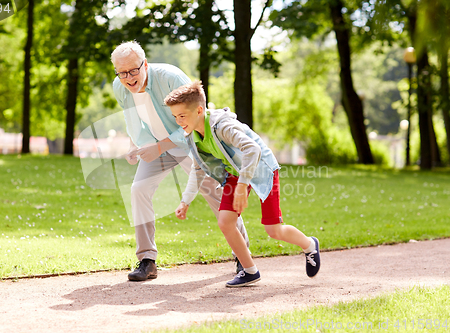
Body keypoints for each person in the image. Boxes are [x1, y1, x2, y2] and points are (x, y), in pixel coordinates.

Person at [111, 41, 250, 281]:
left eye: (133, 70)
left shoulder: (170, 77)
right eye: (122, 73)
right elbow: (132, 118)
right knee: (139, 189)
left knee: (215, 193)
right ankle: (147, 259)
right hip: (156, 146)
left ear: (145, 64)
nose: (129, 78)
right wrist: (135, 147)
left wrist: (162, 146)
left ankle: (243, 256)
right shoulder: (120, 86)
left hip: (190, 142)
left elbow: (199, 116)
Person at [165, 81, 321, 287]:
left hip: (262, 168)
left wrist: (242, 186)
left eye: (182, 116)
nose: (178, 121)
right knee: (225, 222)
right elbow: (198, 168)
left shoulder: (223, 127)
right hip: (234, 172)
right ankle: (249, 271)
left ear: (199, 110)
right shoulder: (193, 136)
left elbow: (253, 150)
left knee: (273, 230)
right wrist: (185, 201)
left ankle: (310, 245)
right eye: (175, 117)